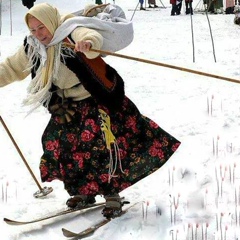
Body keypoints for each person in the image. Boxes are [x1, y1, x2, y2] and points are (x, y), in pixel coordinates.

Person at [0, 3, 180, 219]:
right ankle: (83, 192)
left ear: (51, 22)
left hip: (94, 100)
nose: (38, 34)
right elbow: (11, 68)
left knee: (101, 147)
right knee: (59, 144)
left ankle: (111, 193)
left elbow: (88, 34)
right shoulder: (33, 46)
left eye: (42, 28)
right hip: (66, 107)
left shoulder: (69, 30)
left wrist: (88, 43)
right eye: (33, 29)